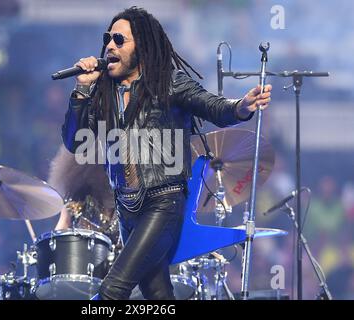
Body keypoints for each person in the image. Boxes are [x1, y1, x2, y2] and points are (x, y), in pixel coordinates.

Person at [61, 6, 272, 300]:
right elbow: (75, 142)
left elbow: (213, 106)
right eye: (108, 38)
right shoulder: (102, 91)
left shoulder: (168, 83)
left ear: (143, 48)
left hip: (162, 202)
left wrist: (241, 106)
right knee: (158, 293)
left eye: (119, 40)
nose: (109, 45)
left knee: (112, 291)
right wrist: (81, 90)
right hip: (126, 208)